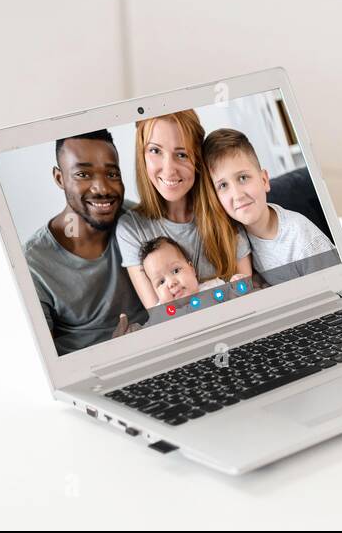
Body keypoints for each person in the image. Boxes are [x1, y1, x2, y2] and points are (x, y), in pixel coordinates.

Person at [22, 130, 147, 355]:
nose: (102, 189)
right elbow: (43, 362)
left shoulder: (136, 221)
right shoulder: (32, 264)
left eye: (111, 174)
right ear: (59, 178)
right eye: (83, 174)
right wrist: (112, 354)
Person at [116, 109, 252, 307]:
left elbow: (248, 298)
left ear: (197, 159)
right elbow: (162, 315)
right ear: (142, 155)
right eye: (155, 151)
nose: (169, 169)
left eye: (181, 154)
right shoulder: (131, 229)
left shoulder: (226, 208)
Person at [202, 128, 334, 285]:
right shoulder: (238, 236)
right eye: (223, 185)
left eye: (243, 178)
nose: (237, 195)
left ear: (264, 180)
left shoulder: (302, 239)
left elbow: (336, 290)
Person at [138, 235, 225, 304]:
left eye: (176, 271)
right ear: (155, 291)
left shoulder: (213, 288)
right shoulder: (161, 314)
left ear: (192, 269)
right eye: (161, 282)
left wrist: (235, 285)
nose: (171, 283)